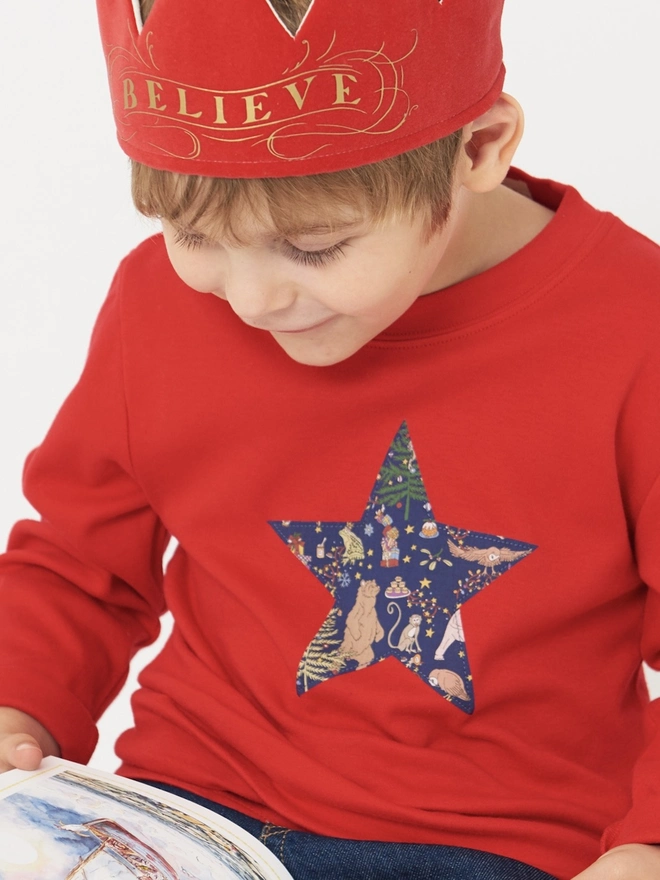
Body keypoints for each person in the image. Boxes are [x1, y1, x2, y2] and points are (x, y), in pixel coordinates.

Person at [0, 0, 658, 878]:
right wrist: (17, 705)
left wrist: (646, 848)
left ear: (479, 148)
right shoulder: (159, 299)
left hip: (493, 842)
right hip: (186, 807)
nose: (251, 300)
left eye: (314, 247)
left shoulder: (635, 331)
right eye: (193, 234)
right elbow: (79, 563)